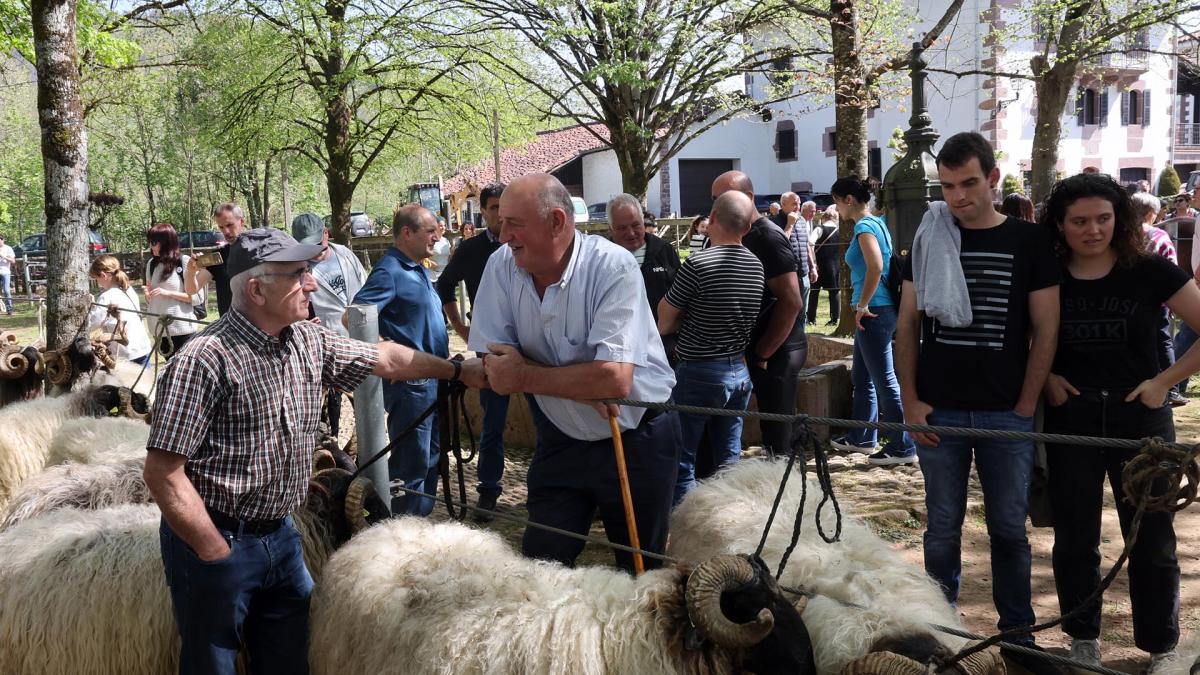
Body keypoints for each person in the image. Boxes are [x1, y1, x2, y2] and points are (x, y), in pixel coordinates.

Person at [144, 227, 483, 675]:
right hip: (220, 538)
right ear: (256, 289)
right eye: (298, 274)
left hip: (283, 539)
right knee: (213, 662)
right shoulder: (203, 361)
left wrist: (456, 369)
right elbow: (163, 472)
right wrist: (213, 550)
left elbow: (386, 359)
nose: (312, 283)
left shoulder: (307, 341)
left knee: (290, 658)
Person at [895, 131, 1060, 660]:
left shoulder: (1030, 242)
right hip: (938, 407)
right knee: (942, 528)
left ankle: (1018, 636)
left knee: (1009, 530)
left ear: (992, 178)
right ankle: (939, 631)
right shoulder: (929, 237)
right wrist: (911, 401)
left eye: (968, 183)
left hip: (1006, 411)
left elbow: (1046, 327)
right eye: (947, 187)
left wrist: (1026, 402)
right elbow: (906, 326)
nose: (958, 197)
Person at [469, 173, 681, 573]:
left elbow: (614, 380)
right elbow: (495, 363)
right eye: (502, 222)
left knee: (640, 574)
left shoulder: (611, 266)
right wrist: (581, 383)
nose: (502, 236)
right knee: (540, 568)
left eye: (515, 224)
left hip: (636, 439)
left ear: (557, 223)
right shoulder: (501, 266)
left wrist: (526, 376)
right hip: (560, 440)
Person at [1039, 173, 1200, 673]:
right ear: (1060, 225)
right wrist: (1046, 377)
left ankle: (1161, 648)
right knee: (1074, 537)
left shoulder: (1150, 271)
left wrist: (1164, 382)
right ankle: (1082, 639)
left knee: (1152, 538)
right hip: (1073, 417)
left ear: (1120, 218)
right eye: (1080, 221)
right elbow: (1022, 335)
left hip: (1143, 421)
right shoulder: (1047, 274)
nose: (1093, 230)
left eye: (1103, 218)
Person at [657, 190, 762, 503]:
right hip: (739, 371)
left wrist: (687, 315)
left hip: (699, 369)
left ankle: (685, 527)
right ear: (746, 228)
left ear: (711, 219)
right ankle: (727, 524)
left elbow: (664, 320)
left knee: (682, 457)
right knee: (729, 460)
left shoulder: (698, 264)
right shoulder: (756, 265)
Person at [350, 205, 448, 516]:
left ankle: (418, 525)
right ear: (407, 233)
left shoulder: (417, 266)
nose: (436, 237)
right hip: (412, 385)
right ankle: (401, 530)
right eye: (429, 231)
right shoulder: (390, 270)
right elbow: (353, 316)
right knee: (412, 462)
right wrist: (384, 349)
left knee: (431, 458)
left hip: (434, 379)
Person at [711, 171, 805, 458]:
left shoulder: (768, 237)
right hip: (747, 350)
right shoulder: (732, 233)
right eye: (715, 200)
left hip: (778, 350)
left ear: (748, 198)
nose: (716, 205)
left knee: (778, 438)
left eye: (722, 198)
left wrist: (763, 353)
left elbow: (791, 302)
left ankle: (782, 493)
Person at [826, 176, 916, 465]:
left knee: (885, 380)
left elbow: (876, 266)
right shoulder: (877, 222)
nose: (836, 208)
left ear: (848, 200)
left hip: (874, 312)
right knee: (862, 377)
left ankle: (903, 445)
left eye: (837, 202)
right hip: (877, 311)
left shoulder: (865, 226)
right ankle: (862, 437)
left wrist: (862, 304)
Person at [435, 183, 510, 519]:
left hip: (534, 344)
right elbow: (444, 285)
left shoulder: (524, 241)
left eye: (504, 207)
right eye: (493, 208)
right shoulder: (471, 249)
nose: (500, 214)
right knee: (493, 420)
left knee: (551, 416)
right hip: (490, 347)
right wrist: (463, 329)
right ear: (483, 211)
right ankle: (488, 491)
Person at [290, 212, 368, 435]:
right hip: (324, 346)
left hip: (357, 340)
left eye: (316, 243)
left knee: (363, 405)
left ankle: (362, 451)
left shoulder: (344, 254)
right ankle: (330, 443)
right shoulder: (297, 269)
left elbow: (365, 287)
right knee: (327, 405)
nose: (313, 250)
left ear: (325, 233)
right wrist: (303, 324)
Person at [1131, 192, 1186, 408]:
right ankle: (1171, 388)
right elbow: (1172, 268)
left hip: (1128, 302)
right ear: (1150, 213)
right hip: (1158, 301)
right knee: (1163, 341)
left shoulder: (1122, 236)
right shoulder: (1159, 236)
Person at [607, 193, 680, 320]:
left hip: (661, 336)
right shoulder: (602, 258)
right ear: (610, 228)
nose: (630, 233)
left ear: (643, 222)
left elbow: (681, 296)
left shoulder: (664, 250)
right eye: (622, 228)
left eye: (636, 225)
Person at [145, 222, 201, 356]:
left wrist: (168, 293)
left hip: (182, 331)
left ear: (166, 242)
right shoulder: (151, 264)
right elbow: (151, 296)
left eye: (153, 242)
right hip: (158, 330)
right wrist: (148, 295)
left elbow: (196, 298)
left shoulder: (184, 261)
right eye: (150, 242)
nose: (150, 246)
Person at [87, 255, 152, 366]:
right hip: (142, 347)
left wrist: (90, 307)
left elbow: (91, 324)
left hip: (126, 354)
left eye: (96, 279)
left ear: (103, 275)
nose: (97, 282)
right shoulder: (129, 290)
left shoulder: (106, 297)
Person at [185, 203, 246, 317]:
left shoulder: (259, 250)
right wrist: (191, 272)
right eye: (221, 227)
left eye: (229, 225)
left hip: (261, 328)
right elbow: (191, 290)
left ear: (241, 222)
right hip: (229, 326)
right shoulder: (219, 256)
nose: (226, 232)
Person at [807, 206, 841, 326]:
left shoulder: (819, 229)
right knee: (834, 292)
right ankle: (834, 319)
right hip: (835, 267)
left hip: (819, 266)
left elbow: (810, 243)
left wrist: (813, 263)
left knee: (814, 292)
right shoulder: (840, 231)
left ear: (824, 217)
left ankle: (811, 319)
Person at [426, 219, 452, 283]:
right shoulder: (429, 240)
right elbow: (421, 256)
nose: (443, 228)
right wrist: (429, 263)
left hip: (445, 276)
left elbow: (448, 257)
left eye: (444, 225)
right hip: (432, 277)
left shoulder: (446, 241)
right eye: (440, 226)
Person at [0, 234, 13, 316]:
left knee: (6, 291)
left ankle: (9, 309)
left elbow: (13, 261)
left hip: (5, 272)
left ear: (2, 240)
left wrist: (3, 256)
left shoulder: (8, 248)